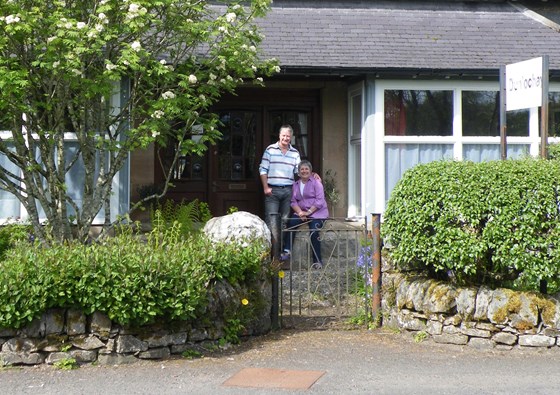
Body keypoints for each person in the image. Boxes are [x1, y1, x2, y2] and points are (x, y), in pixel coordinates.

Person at [259, 125, 301, 254]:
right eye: (284, 135)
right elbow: (262, 169)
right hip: (272, 191)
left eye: (288, 136)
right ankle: (269, 254)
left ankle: (281, 254)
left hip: (288, 191)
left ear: (291, 137)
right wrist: (266, 187)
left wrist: (313, 175)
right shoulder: (270, 150)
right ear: (279, 136)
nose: (286, 138)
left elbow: (299, 171)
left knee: (284, 222)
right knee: (271, 222)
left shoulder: (295, 153)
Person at [284, 160, 329, 269]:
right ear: (299, 172)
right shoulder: (296, 185)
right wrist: (300, 212)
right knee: (291, 224)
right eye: (302, 169)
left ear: (311, 171)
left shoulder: (316, 183)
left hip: (317, 213)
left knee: (314, 231)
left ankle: (317, 261)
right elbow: (293, 201)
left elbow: (319, 201)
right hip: (302, 212)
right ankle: (287, 251)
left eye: (306, 169)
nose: (304, 171)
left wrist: (308, 212)